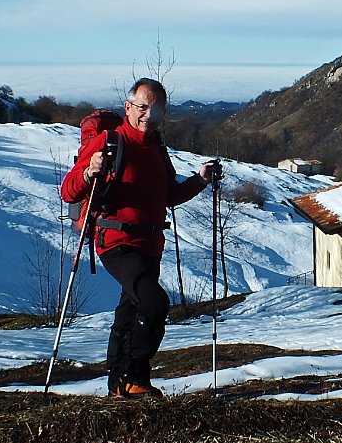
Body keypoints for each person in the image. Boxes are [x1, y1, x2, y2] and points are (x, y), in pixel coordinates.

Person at [60, 78, 222, 397]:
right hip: (116, 241)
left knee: (130, 311)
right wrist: (90, 171)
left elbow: (169, 195)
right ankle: (135, 377)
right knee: (153, 303)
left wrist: (200, 180)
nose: (149, 114)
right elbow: (68, 191)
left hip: (150, 244)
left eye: (156, 108)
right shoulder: (111, 141)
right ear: (128, 107)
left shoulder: (157, 148)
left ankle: (118, 385)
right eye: (143, 107)